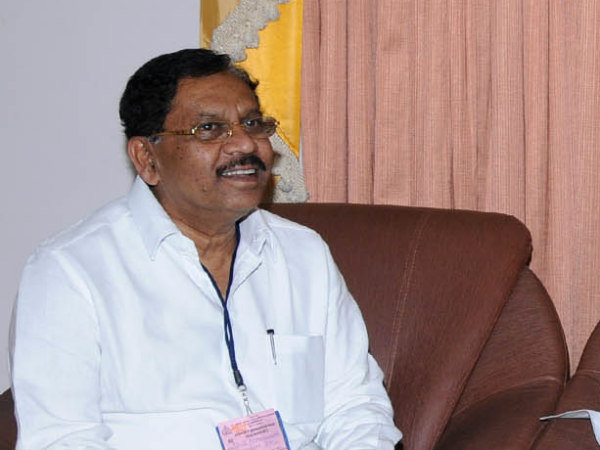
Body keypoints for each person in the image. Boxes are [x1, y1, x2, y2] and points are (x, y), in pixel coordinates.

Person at [9, 48, 402, 449]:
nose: (245, 144)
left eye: (252, 123)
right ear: (147, 159)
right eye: (210, 129)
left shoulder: (303, 254)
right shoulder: (70, 272)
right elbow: (62, 440)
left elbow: (354, 407)